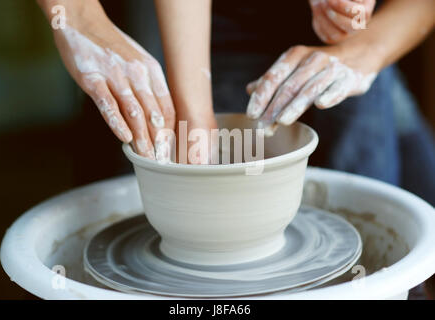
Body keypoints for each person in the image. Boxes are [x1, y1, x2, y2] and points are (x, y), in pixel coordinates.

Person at [37, 0, 435, 205]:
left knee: (393, 196)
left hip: (347, 42)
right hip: (202, 25)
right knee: (157, 149)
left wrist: (365, 48)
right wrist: (195, 113)